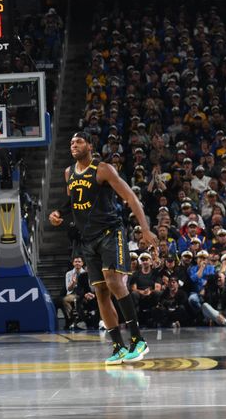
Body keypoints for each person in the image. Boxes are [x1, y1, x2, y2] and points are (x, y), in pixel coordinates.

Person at [49, 133, 158, 365]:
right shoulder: (68, 173)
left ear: (90, 145)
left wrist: (145, 229)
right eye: (71, 142)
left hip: (110, 231)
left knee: (113, 280)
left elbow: (130, 197)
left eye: (78, 142)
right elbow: (72, 202)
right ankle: (118, 345)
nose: (73, 145)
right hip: (87, 239)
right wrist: (59, 213)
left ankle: (138, 340)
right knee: (100, 292)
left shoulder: (103, 169)